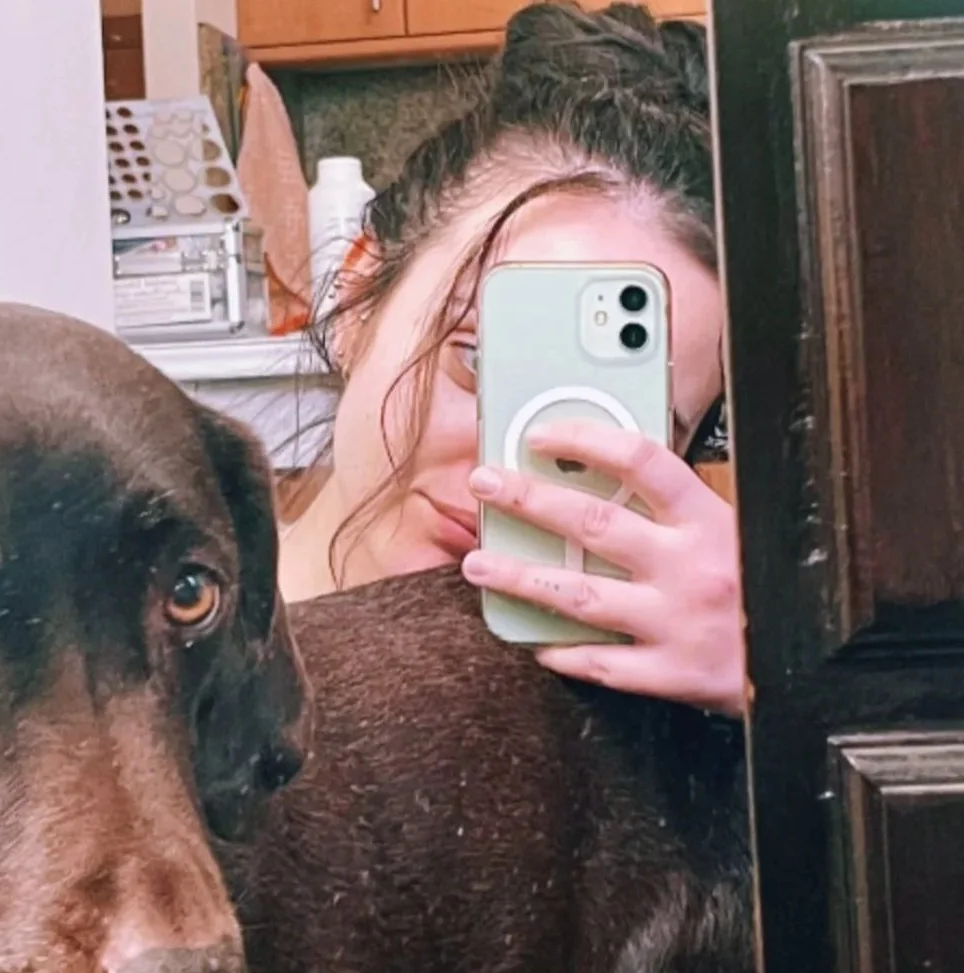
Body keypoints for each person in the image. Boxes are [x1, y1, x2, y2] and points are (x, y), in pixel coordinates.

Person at [279, 1, 745, 719]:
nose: (503, 479)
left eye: (624, 424)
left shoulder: (687, 718)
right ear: (356, 297)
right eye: (475, 361)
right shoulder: (143, 659)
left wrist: (774, 701)